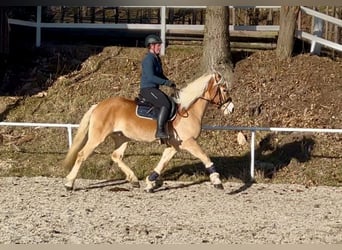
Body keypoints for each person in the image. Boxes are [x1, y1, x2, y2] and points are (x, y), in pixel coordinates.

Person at [140, 34, 176, 139]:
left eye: (159, 45)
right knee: (165, 104)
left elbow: (159, 75)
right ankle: (159, 131)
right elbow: (151, 77)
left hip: (154, 89)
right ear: (151, 46)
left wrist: (169, 82)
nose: (160, 47)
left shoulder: (156, 59)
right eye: (158, 45)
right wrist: (165, 83)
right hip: (147, 89)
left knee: (170, 101)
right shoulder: (148, 59)